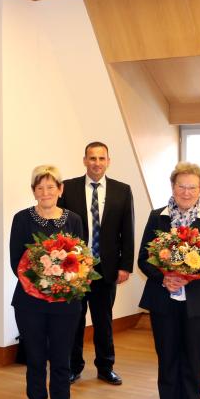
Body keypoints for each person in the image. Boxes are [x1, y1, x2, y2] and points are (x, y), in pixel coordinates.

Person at [137, 162, 200, 399]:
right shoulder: (158, 216)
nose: (186, 192)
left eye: (191, 187)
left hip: (198, 304)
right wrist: (163, 278)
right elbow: (143, 259)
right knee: (167, 361)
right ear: (172, 187)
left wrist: (191, 278)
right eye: (181, 186)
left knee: (192, 362)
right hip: (163, 302)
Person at [57, 142, 134, 385]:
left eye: (101, 158)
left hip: (106, 267)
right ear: (84, 160)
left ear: (108, 161)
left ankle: (105, 367)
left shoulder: (122, 190)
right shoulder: (67, 188)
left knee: (103, 320)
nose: (97, 163)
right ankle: (73, 366)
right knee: (75, 319)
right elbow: (59, 228)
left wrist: (125, 266)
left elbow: (127, 231)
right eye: (92, 158)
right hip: (74, 267)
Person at [9, 165, 84, 399]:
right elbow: (15, 261)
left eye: (50, 187)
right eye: (39, 187)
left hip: (66, 303)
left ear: (60, 189)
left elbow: (81, 260)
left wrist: (60, 286)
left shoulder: (74, 220)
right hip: (30, 303)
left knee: (62, 358)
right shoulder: (21, 219)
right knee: (36, 358)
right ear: (33, 191)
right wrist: (42, 285)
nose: (45, 192)